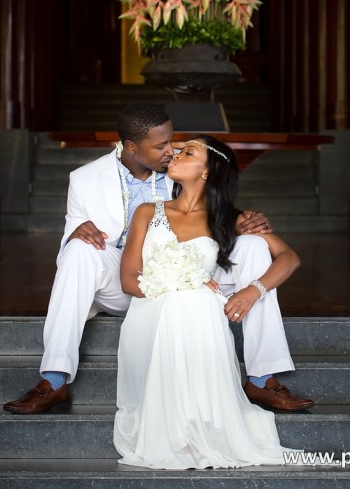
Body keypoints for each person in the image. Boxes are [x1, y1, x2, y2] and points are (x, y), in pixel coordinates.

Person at [3, 103, 313, 414]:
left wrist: (249, 229)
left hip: (194, 280)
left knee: (253, 246)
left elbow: (213, 203)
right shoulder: (84, 180)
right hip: (122, 278)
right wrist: (75, 232)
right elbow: (68, 256)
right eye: (162, 145)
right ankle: (54, 379)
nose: (172, 151)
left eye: (174, 143)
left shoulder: (178, 173)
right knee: (79, 251)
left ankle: (262, 376)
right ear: (132, 147)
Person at [114, 135, 301, 468]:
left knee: (199, 300)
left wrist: (251, 291)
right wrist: (182, 283)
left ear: (206, 172)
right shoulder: (146, 212)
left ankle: (202, 421)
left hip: (198, 314)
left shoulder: (228, 219)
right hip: (151, 311)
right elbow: (129, 280)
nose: (174, 154)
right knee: (187, 299)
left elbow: (288, 258)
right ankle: (178, 422)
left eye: (188, 152)